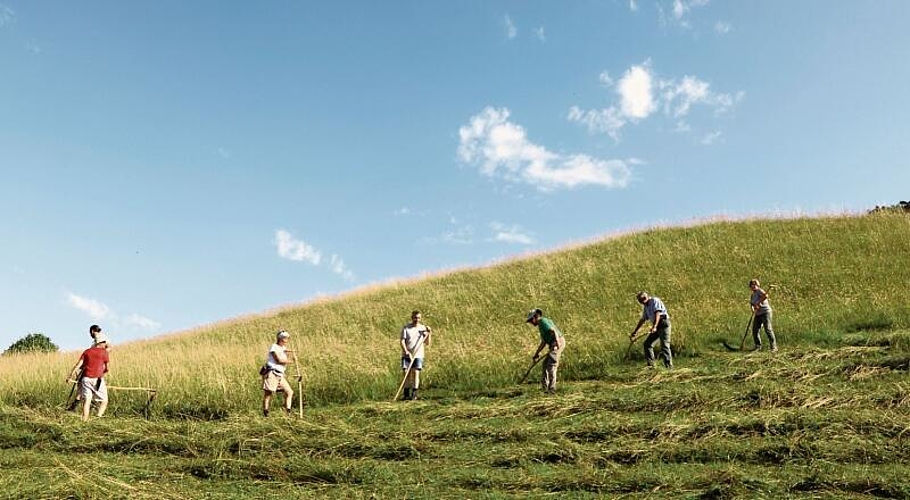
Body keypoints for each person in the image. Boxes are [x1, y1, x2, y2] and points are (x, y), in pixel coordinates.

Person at [66, 332, 110, 421]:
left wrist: (70, 376)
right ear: (100, 343)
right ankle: (98, 418)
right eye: (104, 342)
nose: (105, 344)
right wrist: (103, 371)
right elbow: (107, 367)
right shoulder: (104, 352)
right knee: (104, 401)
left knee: (87, 401)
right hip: (97, 379)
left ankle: (84, 421)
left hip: (85, 379)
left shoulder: (87, 351)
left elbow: (78, 365)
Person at [525, 308, 566, 393]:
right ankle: (545, 387)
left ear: (535, 317)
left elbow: (553, 331)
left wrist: (557, 343)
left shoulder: (543, 321)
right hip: (553, 343)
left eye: (530, 320)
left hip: (557, 342)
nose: (531, 323)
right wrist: (537, 353)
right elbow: (543, 342)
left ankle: (552, 389)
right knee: (545, 365)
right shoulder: (541, 325)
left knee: (551, 365)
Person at [630, 292, 673, 369]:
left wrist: (655, 326)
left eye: (642, 300)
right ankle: (651, 366)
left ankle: (669, 367)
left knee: (664, 345)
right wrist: (635, 331)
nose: (642, 302)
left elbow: (658, 313)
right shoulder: (646, 307)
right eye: (640, 301)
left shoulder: (655, 301)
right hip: (656, 326)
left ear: (646, 297)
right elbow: (643, 319)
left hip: (663, 324)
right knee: (647, 344)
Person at [262, 330, 295, 416]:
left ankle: (288, 413)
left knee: (289, 392)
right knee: (268, 393)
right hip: (272, 373)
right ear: (280, 338)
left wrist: (291, 354)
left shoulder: (283, 348)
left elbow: (285, 357)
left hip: (280, 374)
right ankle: (266, 413)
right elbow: (278, 360)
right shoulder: (274, 347)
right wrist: (291, 361)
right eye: (285, 338)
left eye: (287, 338)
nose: (287, 340)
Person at [400, 310, 432, 400]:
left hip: (418, 355)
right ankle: (406, 394)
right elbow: (402, 341)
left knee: (416, 373)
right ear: (412, 317)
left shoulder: (423, 328)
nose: (416, 319)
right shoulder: (406, 328)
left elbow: (427, 343)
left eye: (418, 318)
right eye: (415, 317)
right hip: (407, 355)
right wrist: (406, 351)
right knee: (406, 373)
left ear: (420, 318)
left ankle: (414, 394)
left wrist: (429, 333)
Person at [749, 279, 777, 352]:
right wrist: (753, 309)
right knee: (755, 329)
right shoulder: (752, 295)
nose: (753, 286)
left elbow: (765, 296)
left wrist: (759, 302)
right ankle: (758, 346)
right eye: (752, 285)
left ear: (758, 285)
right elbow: (752, 304)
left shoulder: (759, 291)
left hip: (765, 312)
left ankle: (774, 347)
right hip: (758, 314)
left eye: (755, 284)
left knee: (768, 329)